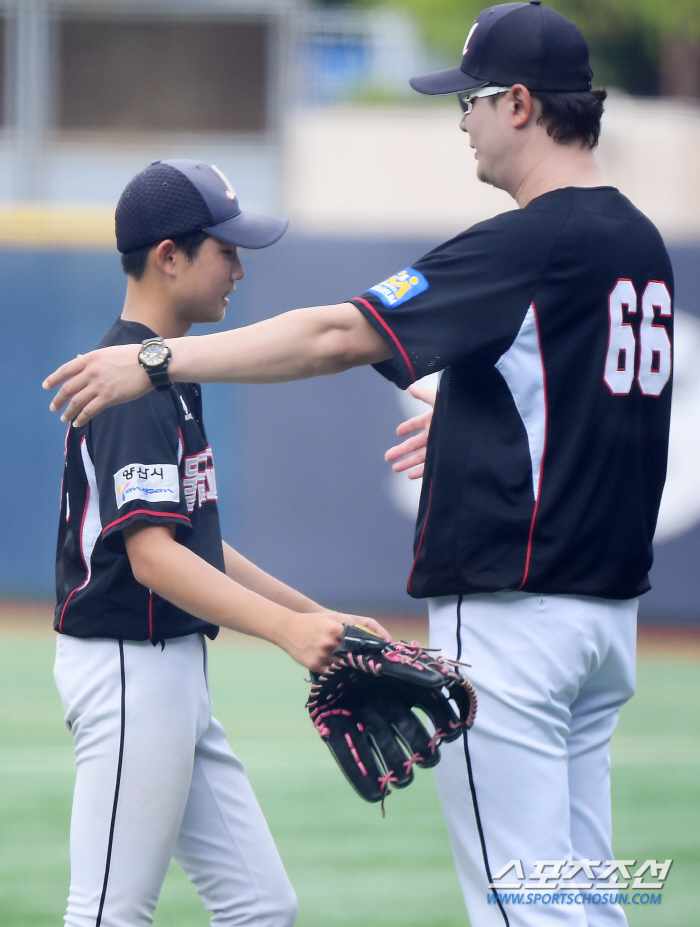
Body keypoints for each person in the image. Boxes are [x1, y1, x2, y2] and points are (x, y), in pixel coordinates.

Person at [45, 4, 674, 925]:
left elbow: (342, 333)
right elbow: (587, 404)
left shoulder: (527, 240)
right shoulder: (639, 242)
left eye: (471, 99)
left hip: (520, 622)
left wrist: (155, 358)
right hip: (604, 627)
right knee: (575, 896)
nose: (461, 119)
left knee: (525, 908)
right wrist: (468, 432)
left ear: (522, 104)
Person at [51, 157, 389, 927]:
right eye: (224, 248)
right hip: (129, 668)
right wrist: (286, 631)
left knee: (261, 904)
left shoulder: (165, 371)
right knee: (109, 910)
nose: (238, 266)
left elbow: (198, 543)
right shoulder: (132, 384)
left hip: (169, 673)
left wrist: (320, 616)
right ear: (169, 256)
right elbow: (153, 557)